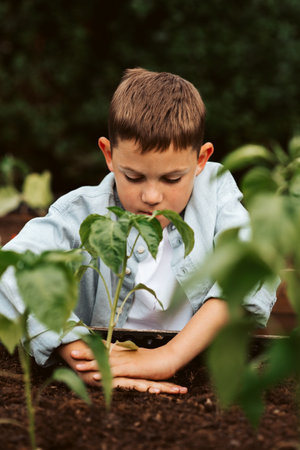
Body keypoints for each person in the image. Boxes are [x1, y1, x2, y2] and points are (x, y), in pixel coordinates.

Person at [0, 68, 276, 395]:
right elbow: (13, 267)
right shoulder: (82, 212)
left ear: (201, 159)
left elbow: (251, 266)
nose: (152, 196)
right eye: (133, 177)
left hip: (197, 368)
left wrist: (169, 356)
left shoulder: (214, 194)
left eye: (172, 179)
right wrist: (81, 352)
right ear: (109, 155)